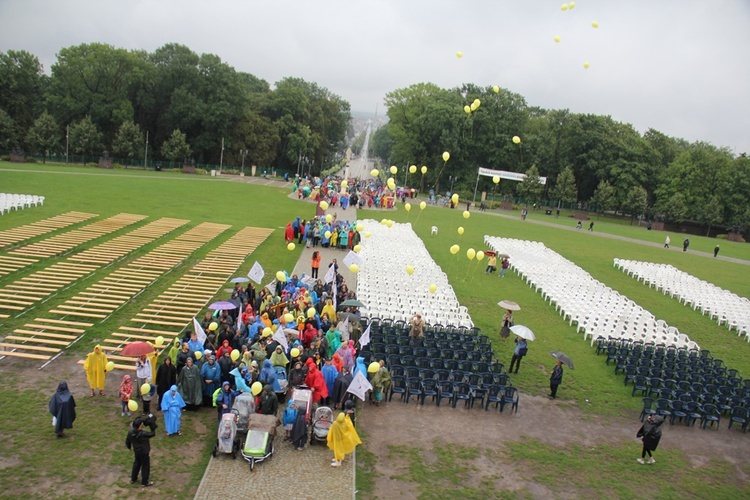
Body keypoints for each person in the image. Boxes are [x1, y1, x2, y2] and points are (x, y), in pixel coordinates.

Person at [126, 415, 157, 487]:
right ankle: (144, 482)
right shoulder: (143, 434)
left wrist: (129, 446)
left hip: (137, 451)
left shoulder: (130, 432)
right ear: (140, 426)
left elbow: (128, 440)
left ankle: (133, 479)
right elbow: (152, 434)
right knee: (145, 466)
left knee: (137, 463)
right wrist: (152, 425)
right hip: (144, 452)